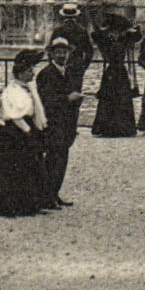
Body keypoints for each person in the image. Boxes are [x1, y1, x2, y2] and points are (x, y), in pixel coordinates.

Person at [0, 50, 55, 217]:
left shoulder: (27, 88)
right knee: (15, 168)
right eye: (29, 70)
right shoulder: (12, 90)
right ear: (20, 73)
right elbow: (14, 115)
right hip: (16, 131)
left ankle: (29, 204)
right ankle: (11, 206)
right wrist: (28, 131)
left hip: (26, 128)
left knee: (29, 167)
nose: (32, 73)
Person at [36, 37, 82, 207]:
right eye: (58, 52)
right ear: (52, 54)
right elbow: (46, 100)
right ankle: (47, 197)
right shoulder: (47, 73)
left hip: (66, 123)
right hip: (54, 124)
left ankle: (54, 194)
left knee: (61, 160)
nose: (62, 55)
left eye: (64, 52)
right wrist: (68, 99)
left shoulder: (67, 72)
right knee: (53, 160)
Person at [90, 12, 142, 138]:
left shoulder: (124, 39)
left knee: (120, 98)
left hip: (119, 71)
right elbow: (95, 35)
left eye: (117, 30)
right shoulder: (106, 40)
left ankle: (122, 127)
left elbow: (137, 36)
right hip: (113, 70)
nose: (115, 33)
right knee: (112, 98)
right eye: (113, 30)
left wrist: (129, 31)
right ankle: (109, 127)